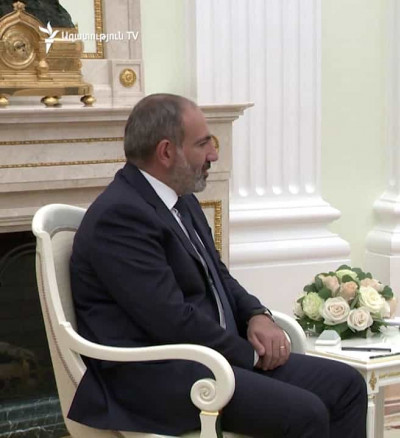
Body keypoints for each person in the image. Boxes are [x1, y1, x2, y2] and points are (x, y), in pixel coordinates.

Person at [69, 94, 367, 437]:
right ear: (166, 152)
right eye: (203, 144)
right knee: (306, 412)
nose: (213, 154)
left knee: (346, 386)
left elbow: (218, 277)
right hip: (155, 375)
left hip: (211, 358)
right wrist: (249, 355)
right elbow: (170, 320)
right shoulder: (121, 217)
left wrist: (256, 315)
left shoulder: (181, 201)